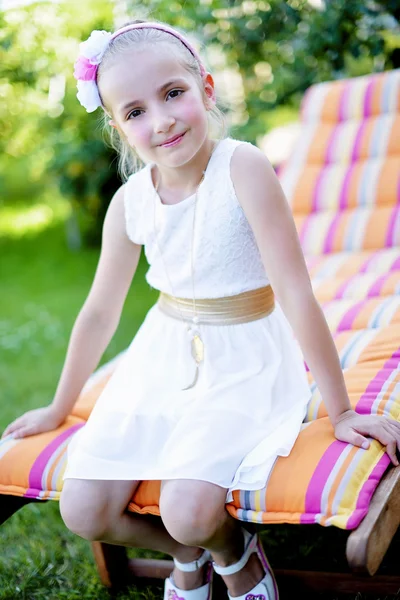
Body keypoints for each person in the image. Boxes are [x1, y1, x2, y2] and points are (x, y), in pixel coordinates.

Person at [3, 19, 400, 600]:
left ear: (206, 90)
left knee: (189, 508)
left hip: (245, 359)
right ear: (118, 127)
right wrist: (60, 406)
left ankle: (230, 551)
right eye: (135, 112)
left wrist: (339, 413)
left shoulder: (242, 168)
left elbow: (294, 289)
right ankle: (186, 553)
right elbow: (97, 313)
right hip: (162, 357)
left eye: (172, 94)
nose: (160, 120)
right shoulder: (131, 202)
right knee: (84, 510)